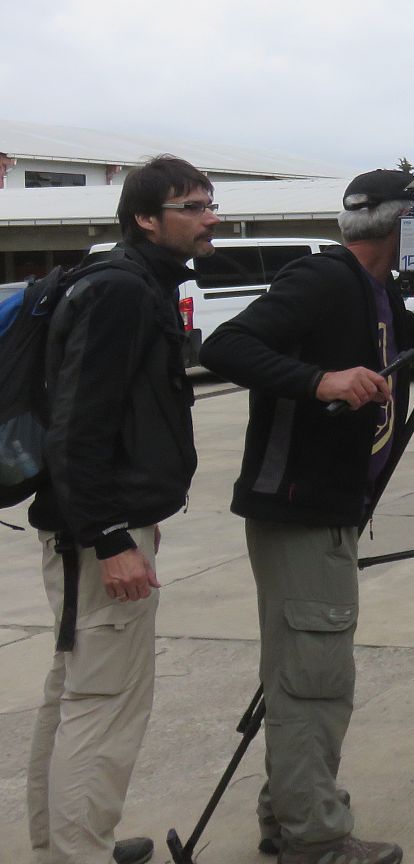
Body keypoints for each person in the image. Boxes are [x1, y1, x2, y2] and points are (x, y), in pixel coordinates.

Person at [201, 168, 414, 864]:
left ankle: (288, 813)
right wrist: (319, 379)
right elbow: (224, 346)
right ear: (399, 225)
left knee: (304, 670)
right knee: (316, 681)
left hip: (327, 506)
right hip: (300, 509)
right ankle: (315, 839)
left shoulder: (378, 293)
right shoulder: (323, 279)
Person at [28, 155, 218, 864]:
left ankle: (64, 847)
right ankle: (79, 851)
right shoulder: (122, 291)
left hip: (93, 520)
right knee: (104, 705)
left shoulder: (133, 282)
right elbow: (78, 424)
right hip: (94, 533)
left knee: (76, 695)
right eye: (193, 207)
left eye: (209, 204)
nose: (210, 218)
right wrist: (112, 535)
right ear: (146, 218)